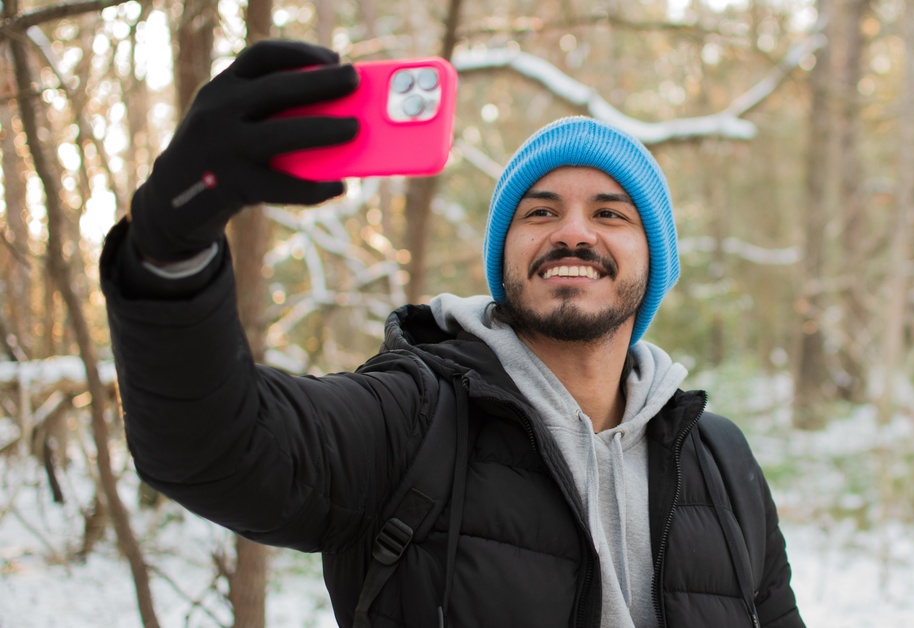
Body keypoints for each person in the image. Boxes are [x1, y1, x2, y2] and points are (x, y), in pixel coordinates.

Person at [100, 39, 805, 628]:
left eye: (612, 213)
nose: (573, 231)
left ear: (654, 264)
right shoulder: (414, 417)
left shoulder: (720, 459)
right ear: (504, 260)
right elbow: (214, 448)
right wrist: (170, 248)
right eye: (540, 211)